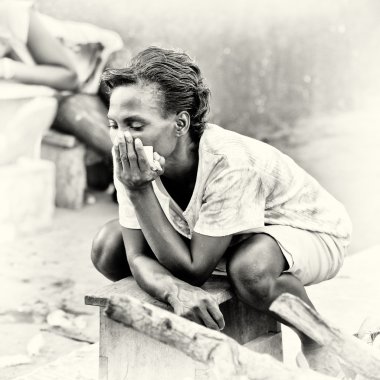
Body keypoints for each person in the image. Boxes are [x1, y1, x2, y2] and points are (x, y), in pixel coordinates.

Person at [91, 46, 352, 375]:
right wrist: (172, 289)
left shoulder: (230, 162)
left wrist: (139, 188)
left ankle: (318, 343)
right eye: (114, 124)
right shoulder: (130, 154)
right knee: (108, 246)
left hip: (308, 230)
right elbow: (135, 255)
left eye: (136, 125)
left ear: (180, 123)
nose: (121, 138)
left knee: (251, 271)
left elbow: (194, 270)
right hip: (221, 234)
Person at [0, 1, 126, 191]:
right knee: (113, 145)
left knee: (134, 110)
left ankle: (170, 178)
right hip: (66, 96)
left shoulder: (9, 10)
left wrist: (7, 69)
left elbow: (69, 76)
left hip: (102, 61)